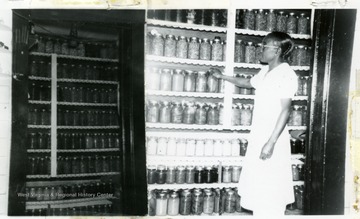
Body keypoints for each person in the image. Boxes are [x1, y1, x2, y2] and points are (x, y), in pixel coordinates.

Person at [211, 32, 298, 216]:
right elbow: (247, 82)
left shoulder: (287, 74)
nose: (261, 49)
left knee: (272, 188)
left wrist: (271, 142)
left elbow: (286, 110)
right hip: (260, 134)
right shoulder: (266, 72)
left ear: (277, 50)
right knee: (259, 184)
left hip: (273, 136)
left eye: (265, 46)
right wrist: (222, 77)